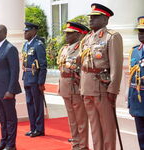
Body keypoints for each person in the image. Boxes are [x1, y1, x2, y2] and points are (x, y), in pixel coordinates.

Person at [79, 3, 123, 150]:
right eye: (90, 17)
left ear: (105, 19)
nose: (91, 20)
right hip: (87, 88)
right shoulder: (86, 39)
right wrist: (81, 87)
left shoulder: (112, 37)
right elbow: (83, 65)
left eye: (95, 17)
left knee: (107, 126)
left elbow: (116, 65)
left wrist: (113, 90)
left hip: (102, 88)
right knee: (94, 126)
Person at [0, 25, 21, 150]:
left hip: (7, 91)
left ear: (5, 34)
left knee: (10, 119)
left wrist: (11, 90)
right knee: (2, 118)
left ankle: (11, 145)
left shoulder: (10, 48)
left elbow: (14, 71)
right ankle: (3, 142)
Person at [57, 22, 89, 150]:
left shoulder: (82, 49)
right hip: (65, 87)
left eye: (70, 34)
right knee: (72, 120)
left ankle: (83, 146)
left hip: (76, 87)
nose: (66, 36)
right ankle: (75, 144)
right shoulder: (64, 48)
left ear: (78, 34)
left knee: (81, 120)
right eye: (66, 33)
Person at [22, 22, 47, 138]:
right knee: (29, 104)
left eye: (27, 31)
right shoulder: (26, 45)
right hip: (27, 77)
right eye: (24, 31)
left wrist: (41, 82)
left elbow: (43, 65)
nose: (25, 33)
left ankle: (39, 129)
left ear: (33, 32)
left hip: (35, 78)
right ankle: (33, 128)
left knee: (37, 105)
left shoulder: (38, 45)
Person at [128, 16, 144, 150]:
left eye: (143, 31)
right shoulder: (134, 51)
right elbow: (131, 79)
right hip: (138, 101)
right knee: (141, 135)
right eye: (139, 31)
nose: (141, 34)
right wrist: (130, 102)